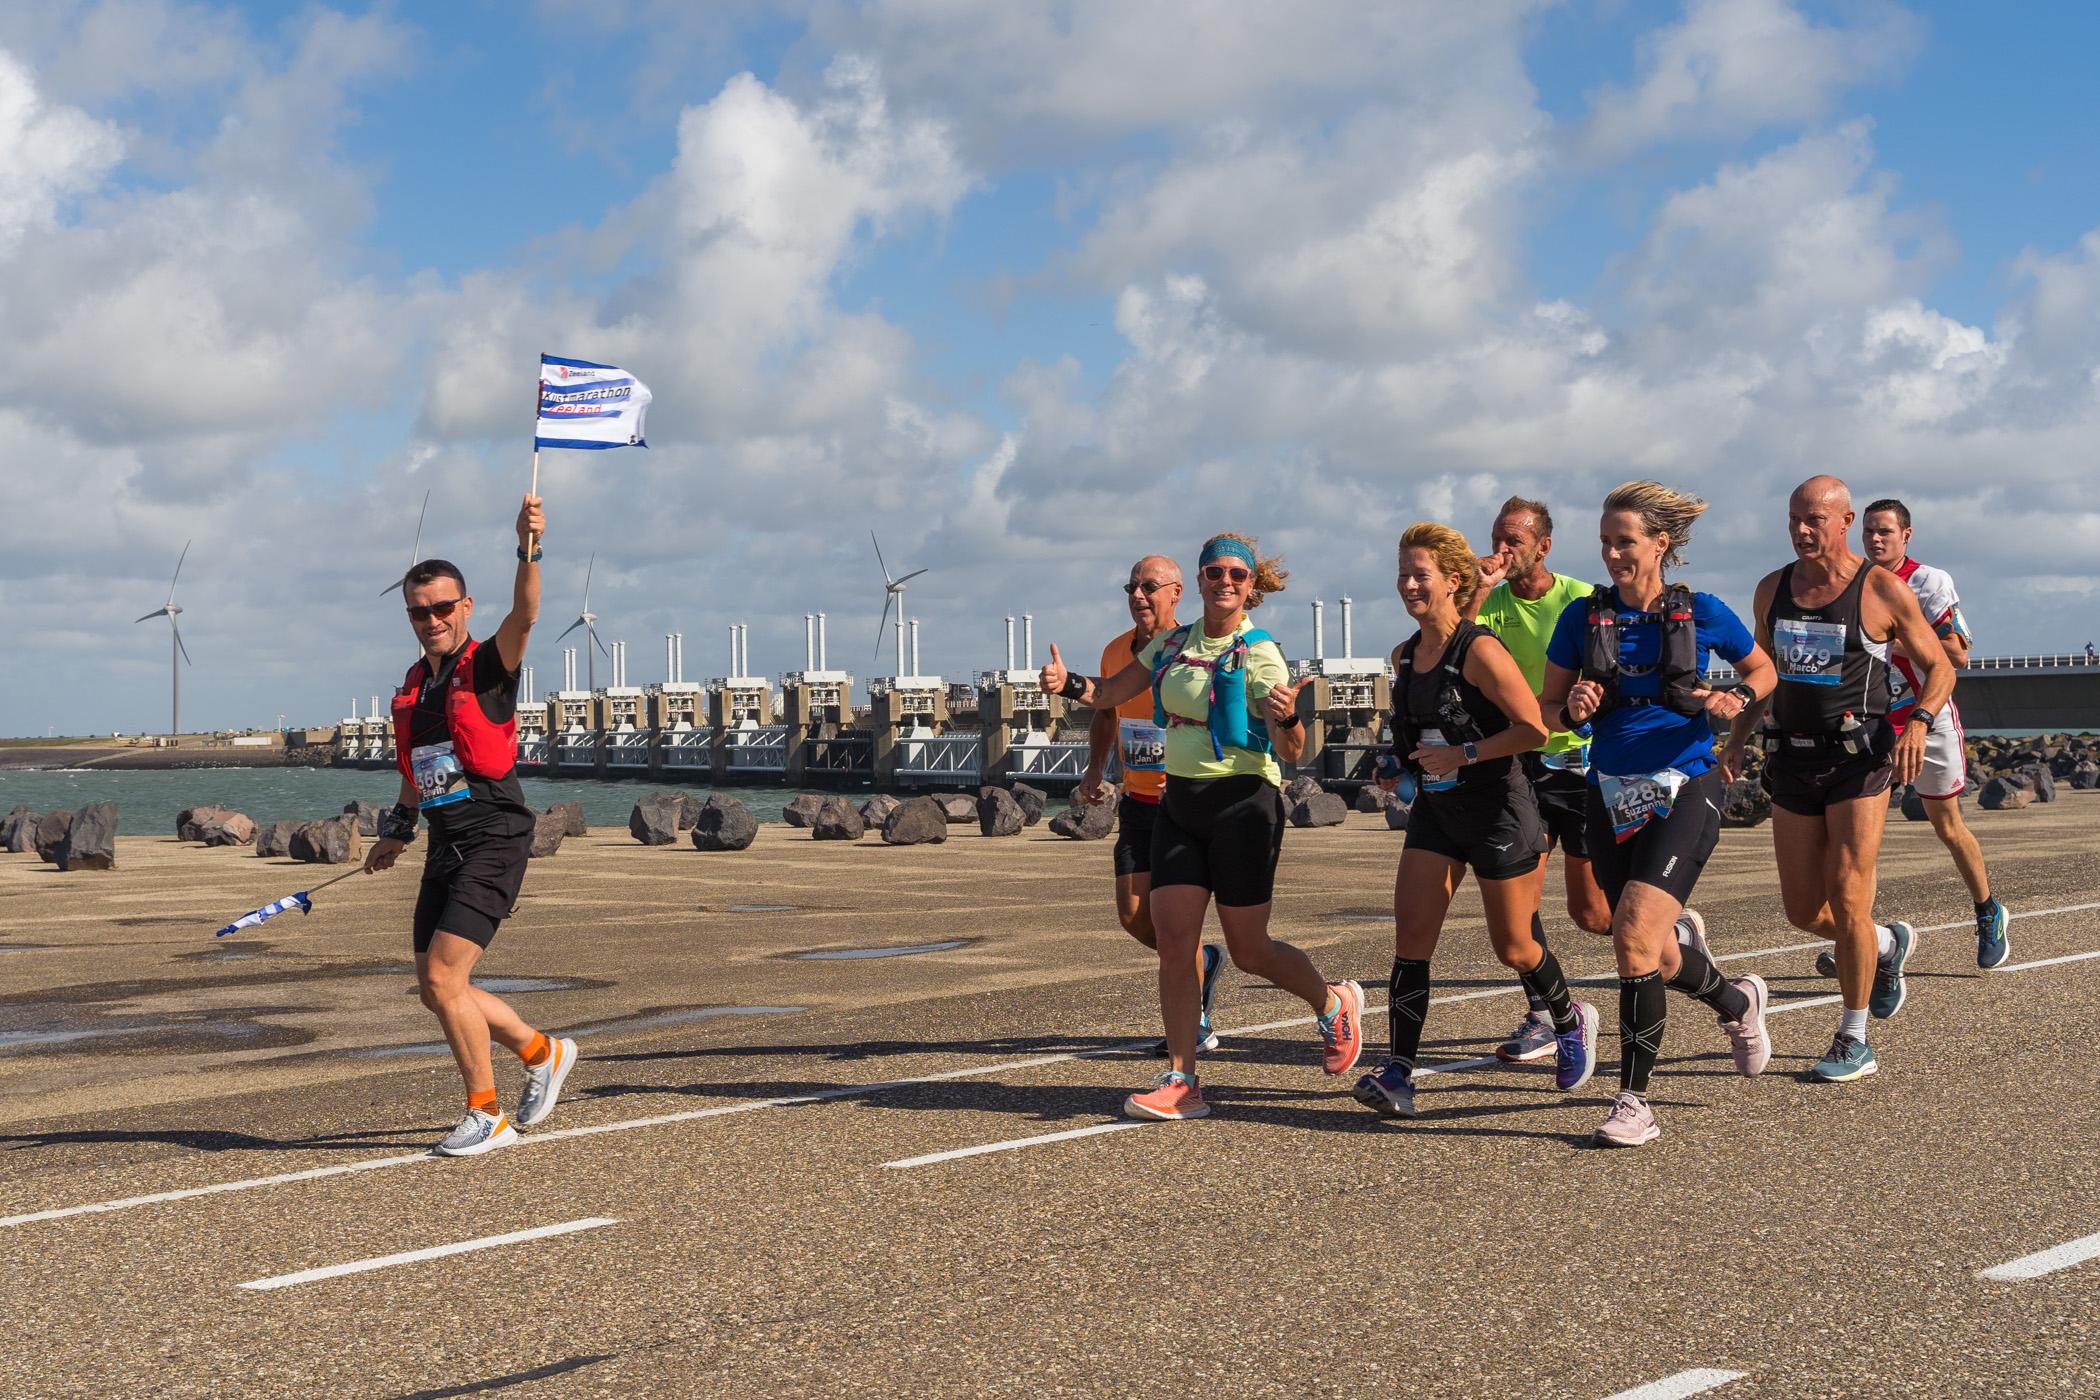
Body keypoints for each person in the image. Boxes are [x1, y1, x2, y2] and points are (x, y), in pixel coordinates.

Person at [1042, 533, 1365, 1121]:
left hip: (1244, 806)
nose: (1225, 582)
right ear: (1199, 580)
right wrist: (1068, 684)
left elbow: (1293, 750)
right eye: (1214, 572)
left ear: (1251, 586)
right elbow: (1114, 692)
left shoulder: (1261, 652)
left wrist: (1288, 716)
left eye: (1237, 575)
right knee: (1173, 944)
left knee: (1250, 949)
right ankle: (1182, 1079)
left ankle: (1332, 1003)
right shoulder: (1172, 644)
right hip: (1179, 805)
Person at [1540, 481, 1779, 1147]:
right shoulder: (1582, 620)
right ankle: (1738, 1003)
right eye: (1606, 542)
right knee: (1651, 950)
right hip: (1610, 790)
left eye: (1626, 540)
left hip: (1688, 784)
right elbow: (1546, 709)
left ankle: (1634, 1102)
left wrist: (1734, 709)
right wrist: (1575, 711)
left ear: (1660, 544)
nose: (1614, 553)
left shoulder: (1702, 612)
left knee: (1633, 939)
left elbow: (1764, 672)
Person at [1352, 523, 1598, 1119]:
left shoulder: (1481, 649)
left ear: (1453, 582)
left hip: (1498, 810)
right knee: (1411, 941)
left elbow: (1533, 731)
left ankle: (1570, 1020)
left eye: (1421, 574)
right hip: (1438, 812)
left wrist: (1462, 755)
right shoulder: (1404, 656)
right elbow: (1416, 735)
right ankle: (1400, 1074)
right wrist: (1396, 763)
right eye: (1404, 573)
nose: (1409, 584)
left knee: (1514, 947)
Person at [363, 495, 577, 1157]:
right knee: (436, 986)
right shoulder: (414, 686)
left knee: (444, 981)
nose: (430, 620)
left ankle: (485, 1115)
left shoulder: (486, 666)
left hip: (495, 835)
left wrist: (528, 547)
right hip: (444, 841)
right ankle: (542, 1052)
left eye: (442, 608)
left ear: (465, 608)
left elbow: (529, 612)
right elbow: (418, 765)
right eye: (418, 611)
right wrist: (397, 828)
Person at [1724, 476, 1952, 1084]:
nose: (1802, 530)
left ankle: (1854, 1037)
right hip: (1792, 762)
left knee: (1849, 894)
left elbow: (1940, 668)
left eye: (1815, 520)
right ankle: (1883, 944)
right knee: (1804, 909)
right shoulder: (1772, 590)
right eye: (1794, 519)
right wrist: (1737, 739)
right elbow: (1764, 672)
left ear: (1845, 520)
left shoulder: (1880, 589)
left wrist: (1918, 725)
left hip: (1860, 761)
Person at [1463, 497, 1633, 1066]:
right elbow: (1454, 648)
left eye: (1514, 539)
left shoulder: (1582, 599)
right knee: (1519, 906)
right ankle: (1541, 1013)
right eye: (1495, 537)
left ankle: (1671, 926)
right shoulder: (1489, 603)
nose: (1502, 549)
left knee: (1593, 914)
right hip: (1516, 766)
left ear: (1545, 546)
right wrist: (1481, 589)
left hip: (1577, 765)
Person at [1077, 555, 1228, 1053]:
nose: (1138, 596)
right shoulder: (1115, 652)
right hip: (1137, 802)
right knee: (1132, 915)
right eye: (1131, 587)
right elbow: (1106, 711)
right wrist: (1097, 767)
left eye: (1148, 587)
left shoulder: (1189, 651)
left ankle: (1192, 1019)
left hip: (1181, 803)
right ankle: (1202, 962)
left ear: (1176, 592)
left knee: (1172, 921)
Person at [1851, 498, 2007, 969]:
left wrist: (1887, 638)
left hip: (1927, 715)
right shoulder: (1852, 583)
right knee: (1861, 838)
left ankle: (1987, 909)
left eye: (1885, 532)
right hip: (1873, 723)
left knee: (1947, 824)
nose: (1875, 539)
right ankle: (1865, 941)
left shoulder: (1929, 581)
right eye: (1868, 532)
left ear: (1906, 536)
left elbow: (1957, 655)